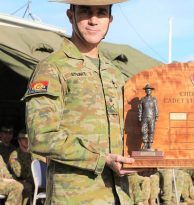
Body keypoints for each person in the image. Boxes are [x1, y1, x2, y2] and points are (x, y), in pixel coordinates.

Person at [23, 0, 138, 204]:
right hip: (75, 196)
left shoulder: (114, 74)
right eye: (85, 12)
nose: (93, 20)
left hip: (120, 196)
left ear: (110, 20)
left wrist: (140, 161)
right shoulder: (52, 68)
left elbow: (126, 132)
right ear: (70, 16)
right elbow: (41, 136)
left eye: (101, 13)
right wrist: (101, 159)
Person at [8, 130, 34, 205]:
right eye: (24, 139)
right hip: (21, 181)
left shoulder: (33, 153)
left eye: (28, 139)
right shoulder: (15, 155)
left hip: (33, 181)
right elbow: (19, 174)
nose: (27, 141)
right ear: (19, 141)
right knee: (26, 187)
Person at [138, 84, 159, 151]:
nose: (148, 91)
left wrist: (156, 115)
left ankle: (150, 143)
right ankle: (145, 143)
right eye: (147, 90)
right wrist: (139, 116)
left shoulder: (154, 99)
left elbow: (156, 108)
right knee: (143, 130)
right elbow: (140, 109)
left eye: (149, 90)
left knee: (151, 130)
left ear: (151, 91)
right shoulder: (142, 99)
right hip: (144, 117)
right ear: (145, 91)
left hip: (151, 117)